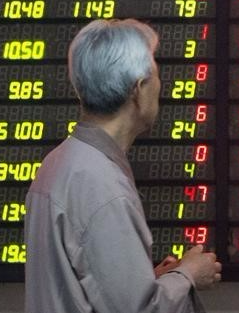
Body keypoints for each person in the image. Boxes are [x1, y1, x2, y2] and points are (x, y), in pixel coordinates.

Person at [25, 19, 221, 313]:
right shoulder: (101, 185)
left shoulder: (61, 163)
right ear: (138, 89)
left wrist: (151, 281)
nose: (160, 85)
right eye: (155, 74)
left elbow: (81, 289)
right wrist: (188, 275)